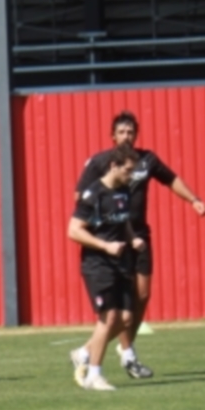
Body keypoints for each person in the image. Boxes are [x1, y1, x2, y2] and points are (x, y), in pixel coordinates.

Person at [71, 111, 205, 379]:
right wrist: (100, 224)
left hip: (139, 236)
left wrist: (193, 199)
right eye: (121, 132)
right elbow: (80, 196)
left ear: (136, 134)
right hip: (113, 240)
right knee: (119, 306)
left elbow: (171, 179)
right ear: (113, 136)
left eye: (130, 132)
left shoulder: (146, 161)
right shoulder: (101, 162)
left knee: (142, 295)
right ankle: (127, 353)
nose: (126, 136)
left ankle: (90, 352)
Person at [68, 144, 142, 392]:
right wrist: (104, 246)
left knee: (127, 319)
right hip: (97, 264)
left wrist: (133, 238)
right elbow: (73, 230)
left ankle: (84, 352)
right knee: (108, 317)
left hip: (121, 263)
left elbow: (124, 221)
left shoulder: (124, 192)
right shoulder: (93, 194)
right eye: (128, 170)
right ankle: (94, 375)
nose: (131, 176)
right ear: (114, 166)